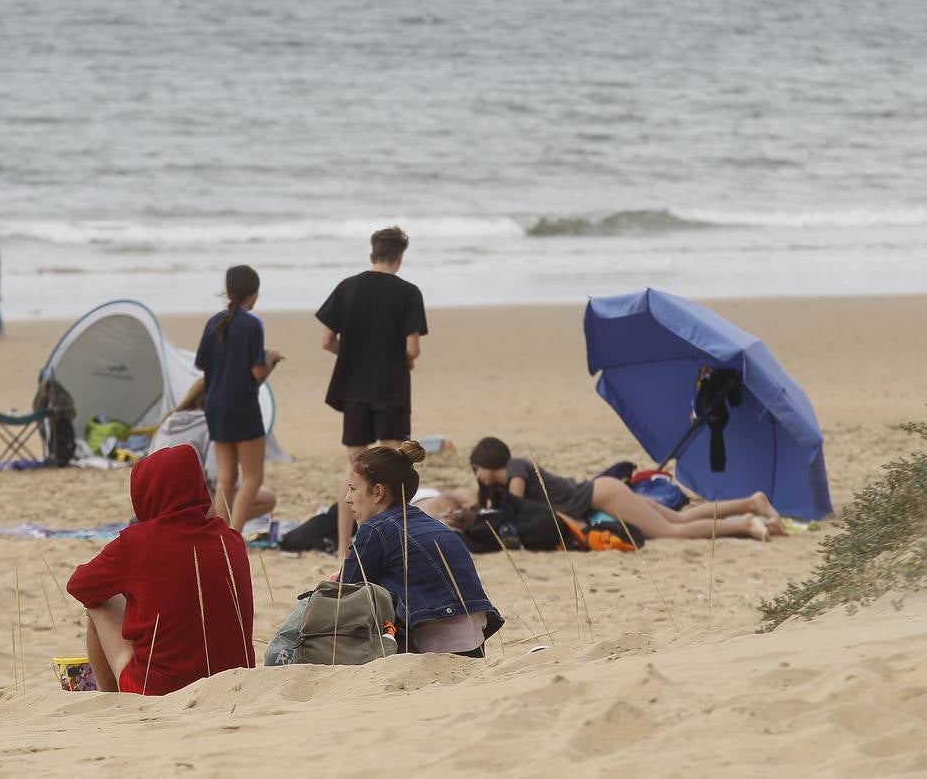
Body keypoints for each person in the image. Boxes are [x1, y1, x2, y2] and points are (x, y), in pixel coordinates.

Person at [66, 444, 255, 695]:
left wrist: (127, 590)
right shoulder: (230, 538)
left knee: (100, 603)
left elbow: (79, 585)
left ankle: (108, 699)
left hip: (159, 690)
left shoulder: (136, 543)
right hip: (235, 684)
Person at [317, 226, 427, 561]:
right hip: (391, 384)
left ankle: (341, 547)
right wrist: (397, 359)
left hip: (354, 386)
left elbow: (326, 341)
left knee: (353, 465)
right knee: (393, 463)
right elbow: (413, 349)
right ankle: (390, 543)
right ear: (399, 257)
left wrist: (354, 354)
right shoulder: (408, 292)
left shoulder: (347, 287)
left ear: (372, 254)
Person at [340, 441, 503, 656]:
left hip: (434, 646)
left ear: (378, 492)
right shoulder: (434, 524)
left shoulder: (375, 529)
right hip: (476, 644)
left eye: (353, 489)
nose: (347, 499)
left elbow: (342, 594)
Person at [468, 437, 780, 542]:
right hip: (603, 491)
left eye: (476, 469)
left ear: (486, 461)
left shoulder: (516, 469)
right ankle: (751, 503)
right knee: (679, 519)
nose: (477, 475)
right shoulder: (514, 471)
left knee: (670, 532)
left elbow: (519, 505)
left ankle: (746, 526)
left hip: (603, 494)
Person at [194, 266, 282, 530]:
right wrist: (270, 359)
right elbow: (257, 372)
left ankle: (219, 535)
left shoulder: (215, 322)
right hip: (242, 404)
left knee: (225, 477)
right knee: (253, 477)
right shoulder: (252, 324)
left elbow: (201, 364)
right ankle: (234, 533)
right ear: (253, 294)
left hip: (214, 404)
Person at [149, 378, 277, 522]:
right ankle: (217, 530)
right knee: (266, 498)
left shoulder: (168, 421)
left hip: (155, 505)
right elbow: (218, 476)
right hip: (189, 507)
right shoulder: (212, 426)